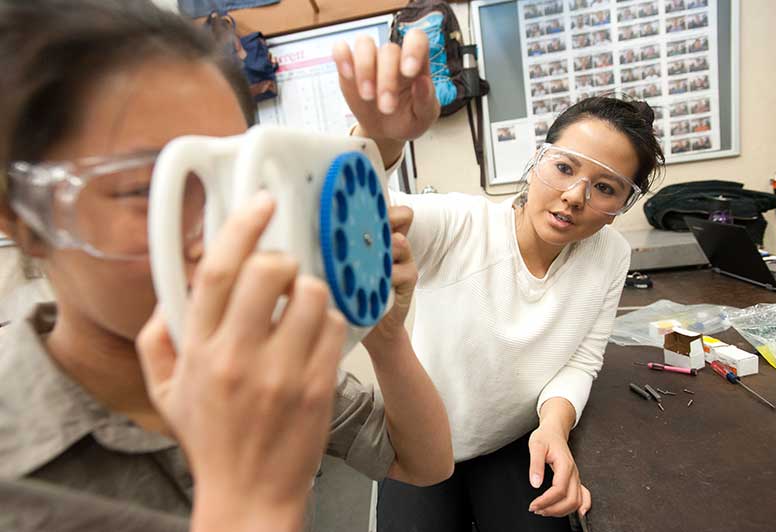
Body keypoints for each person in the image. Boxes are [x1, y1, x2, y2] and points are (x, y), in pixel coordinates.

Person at [0, 1, 453, 530]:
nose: (216, 233)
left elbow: (423, 462)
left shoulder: (250, 351)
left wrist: (387, 338)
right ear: (23, 219)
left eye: (230, 178)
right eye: (148, 191)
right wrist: (248, 503)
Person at [333, 39, 665, 531]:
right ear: (538, 161)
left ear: (622, 203)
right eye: (565, 167)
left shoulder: (609, 254)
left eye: (606, 187)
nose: (574, 196)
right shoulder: (462, 225)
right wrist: (380, 141)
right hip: (417, 440)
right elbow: (363, 224)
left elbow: (582, 359)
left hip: (513, 440)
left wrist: (554, 425)